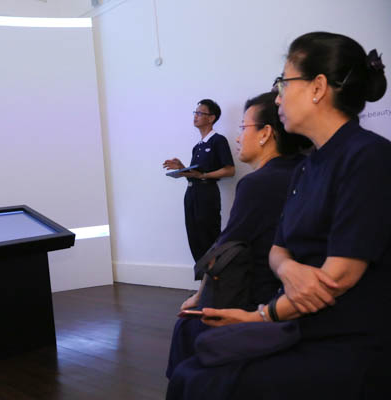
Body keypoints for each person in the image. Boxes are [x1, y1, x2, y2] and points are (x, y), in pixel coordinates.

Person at [166, 32, 390, 400]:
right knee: (194, 363)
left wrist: (259, 316)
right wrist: (288, 269)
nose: (278, 95)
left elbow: (336, 280)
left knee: (200, 378)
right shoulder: (306, 168)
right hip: (300, 321)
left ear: (318, 87)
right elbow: (277, 250)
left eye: (283, 82)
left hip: (347, 337)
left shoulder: (368, 157)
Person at [166, 91, 310, 379]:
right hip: (293, 294)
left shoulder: (256, 184)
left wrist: (198, 296)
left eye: (243, 128)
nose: (238, 137)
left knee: (187, 326)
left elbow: (224, 249)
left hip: (258, 296)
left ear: (266, 133)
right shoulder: (308, 171)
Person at [163, 99, 235, 262]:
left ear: (211, 118)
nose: (195, 116)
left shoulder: (218, 140)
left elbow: (230, 170)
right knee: (194, 238)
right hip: (191, 194)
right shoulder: (197, 146)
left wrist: (203, 176)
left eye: (200, 113)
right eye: (195, 112)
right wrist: (182, 168)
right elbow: (196, 172)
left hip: (207, 195)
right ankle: (204, 282)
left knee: (208, 238)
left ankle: (214, 282)